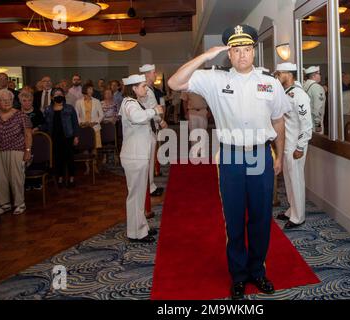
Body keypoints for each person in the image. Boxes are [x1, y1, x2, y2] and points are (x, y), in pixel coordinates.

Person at [168, 24, 290, 300]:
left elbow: (279, 122)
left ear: (254, 52)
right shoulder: (214, 79)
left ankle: (258, 271)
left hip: (261, 154)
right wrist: (205, 56)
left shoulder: (270, 82)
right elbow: (175, 83)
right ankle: (238, 275)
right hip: (231, 156)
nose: (242, 55)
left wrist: (279, 155)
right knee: (234, 220)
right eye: (236, 50)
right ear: (229, 54)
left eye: (247, 50)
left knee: (260, 218)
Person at [119, 74, 163, 243]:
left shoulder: (135, 103)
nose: (145, 89)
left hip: (137, 155)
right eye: (143, 86)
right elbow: (136, 118)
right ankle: (136, 232)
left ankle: (140, 228)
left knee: (137, 195)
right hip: (134, 156)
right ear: (134, 89)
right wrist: (154, 111)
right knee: (135, 196)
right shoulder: (129, 103)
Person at [274, 63, 313, 229]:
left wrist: (300, 147)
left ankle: (299, 217)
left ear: (288, 74)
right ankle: (292, 210)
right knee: (289, 180)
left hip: (296, 144)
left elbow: (307, 124)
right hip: (287, 144)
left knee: (296, 180)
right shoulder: (286, 93)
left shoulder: (299, 95)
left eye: (279, 73)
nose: (277, 75)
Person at [0, 89, 32, 215]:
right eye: (3, 100)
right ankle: (4, 204)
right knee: (0, 178)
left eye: (9, 100)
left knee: (16, 177)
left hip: (16, 149)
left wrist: (28, 151)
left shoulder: (21, 115)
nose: (7, 102)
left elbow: (28, 134)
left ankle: (19, 203)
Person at [139, 64, 168, 196]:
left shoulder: (149, 89)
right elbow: (151, 110)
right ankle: (149, 188)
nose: (155, 74)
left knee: (151, 158)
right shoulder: (145, 90)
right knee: (149, 159)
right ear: (147, 74)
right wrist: (161, 121)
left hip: (150, 126)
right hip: (148, 127)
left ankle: (151, 185)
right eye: (153, 72)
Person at [42, 88, 80, 187]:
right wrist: (37, 128)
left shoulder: (70, 108)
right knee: (57, 159)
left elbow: (75, 123)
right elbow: (45, 124)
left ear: (63, 96)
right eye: (56, 95)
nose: (58, 96)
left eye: (60, 94)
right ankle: (60, 177)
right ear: (52, 97)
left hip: (68, 136)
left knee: (69, 158)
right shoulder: (47, 109)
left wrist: (76, 136)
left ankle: (71, 177)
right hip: (54, 138)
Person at [75, 83, 104, 174]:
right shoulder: (78, 102)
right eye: (90, 89)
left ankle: (94, 166)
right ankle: (87, 167)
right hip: (84, 128)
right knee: (86, 148)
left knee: (95, 148)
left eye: (92, 89)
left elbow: (102, 115)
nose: (92, 90)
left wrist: (95, 122)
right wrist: (82, 123)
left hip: (94, 127)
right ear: (85, 90)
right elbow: (76, 115)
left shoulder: (97, 101)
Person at [181, 91, 209, 156]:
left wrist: (209, 112)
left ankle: (202, 151)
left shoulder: (204, 86)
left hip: (203, 112)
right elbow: (184, 101)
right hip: (192, 112)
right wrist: (185, 113)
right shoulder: (187, 87)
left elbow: (209, 100)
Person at [303, 66, 326, 133]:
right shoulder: (317, 87)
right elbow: (318, 107)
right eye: (319, 74)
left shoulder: (304, 85)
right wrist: (318, 124)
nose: (320, 76)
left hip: (305, 121)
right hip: (314, 122)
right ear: (314, 76)